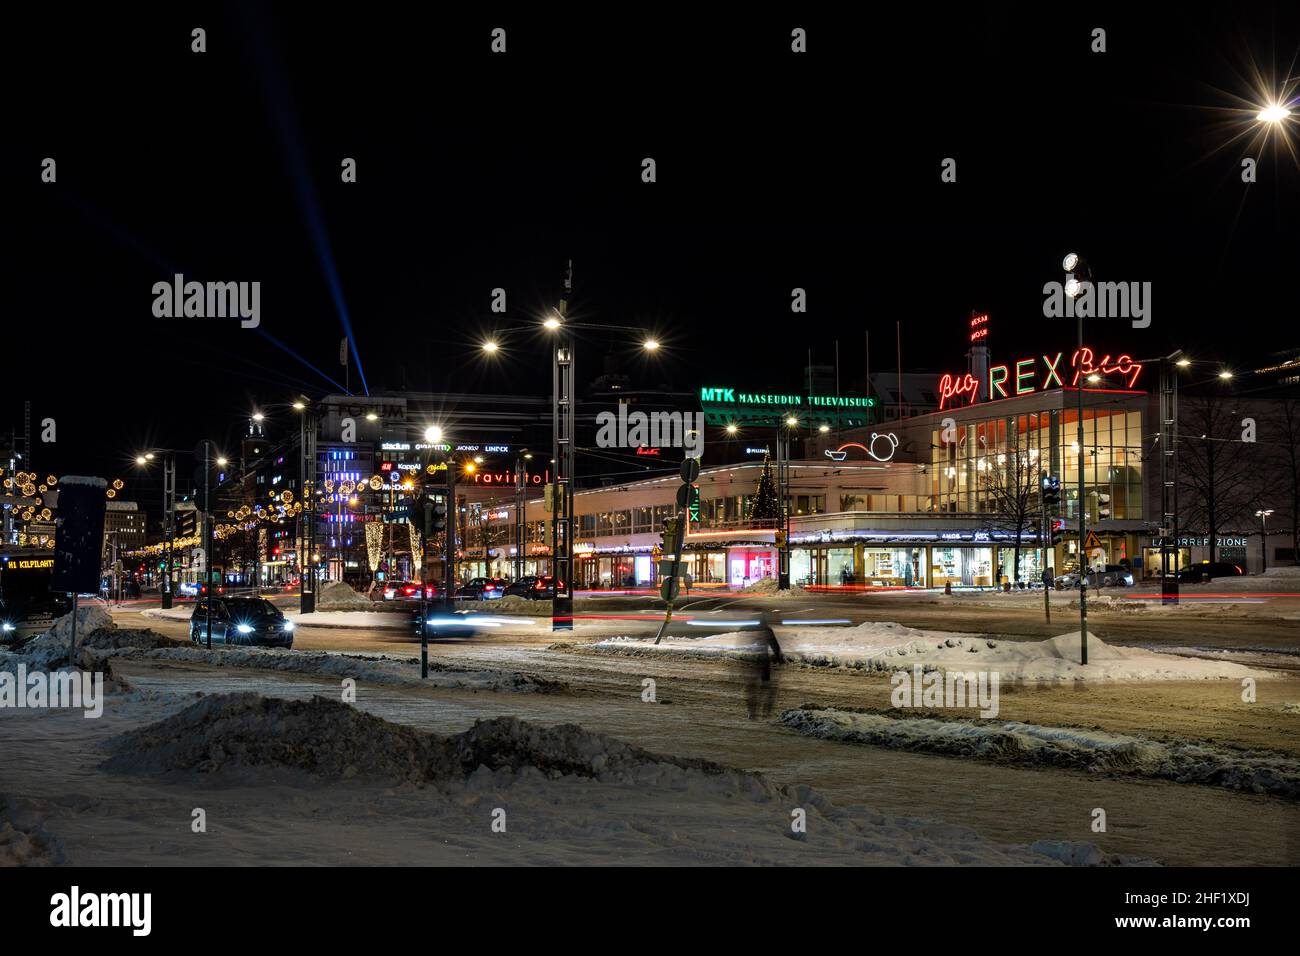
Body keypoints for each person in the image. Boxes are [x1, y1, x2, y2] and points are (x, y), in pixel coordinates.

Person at [742, 610, 785, 720]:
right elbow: (775, 645)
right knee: (766, 686)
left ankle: (752, 713)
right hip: (763, 661)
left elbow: (742, 644)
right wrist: (779, 658)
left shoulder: (748, 629)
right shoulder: (767, 630)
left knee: (752, 687)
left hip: (751, 662)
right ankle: (766, 713)